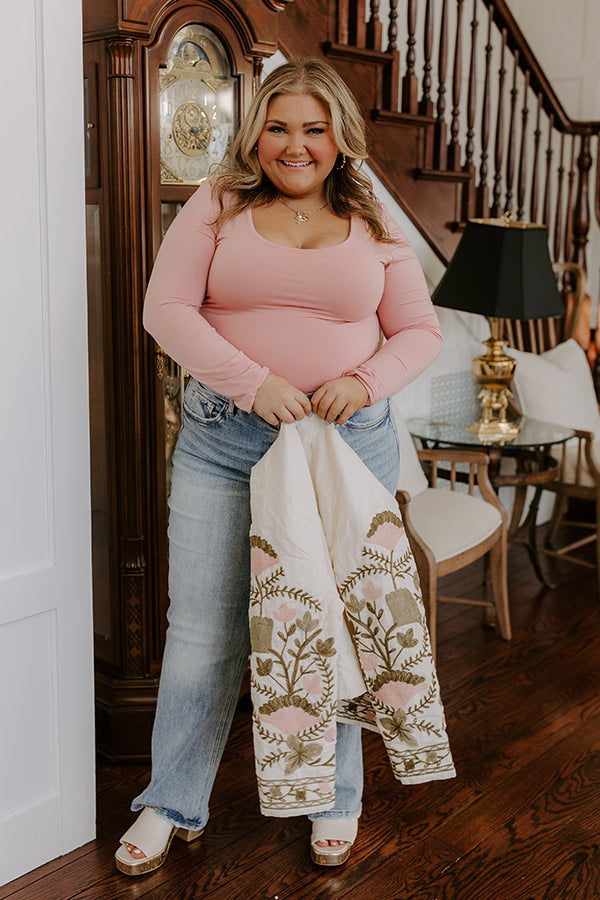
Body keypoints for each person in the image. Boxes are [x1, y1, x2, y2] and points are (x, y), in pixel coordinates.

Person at [115, 57, 442, 876]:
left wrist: (363, 381)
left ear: (340, 137)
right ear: (255, 132)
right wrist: (251, 382)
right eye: (279, 127)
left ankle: (336, 796)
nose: (296, 146)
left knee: (337, 622)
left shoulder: (372, 217)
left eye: (314, 129)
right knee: (202, 630)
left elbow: (418, 332)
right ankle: (170, 801)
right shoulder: (218, 202)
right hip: (225, 443)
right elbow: (165, 309)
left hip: (347, 445)